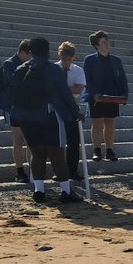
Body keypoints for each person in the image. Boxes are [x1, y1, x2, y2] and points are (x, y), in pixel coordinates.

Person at [7, 36, 83, 204]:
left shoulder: (21, 69)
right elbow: (64, 93)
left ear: (31, 52)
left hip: (25, 117)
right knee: (56, 153)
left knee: (37, 152)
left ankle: (39, 190)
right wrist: (74, 111)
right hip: (48, 115)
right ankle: (65, 191)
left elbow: (11, 94)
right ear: (48, 52)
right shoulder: (52, 69)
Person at [83, 29, 129, 162]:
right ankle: (96, 150)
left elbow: (122, 79)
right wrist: (94, 94)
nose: (107, 44)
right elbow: (87, 79)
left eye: (107, 41)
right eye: (103, 42)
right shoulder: (89, 60)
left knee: (110, 122)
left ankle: (109, 149)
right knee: (97, 122)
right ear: (97, 45)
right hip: (97, 96)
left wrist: (124, 94)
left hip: (112, 95)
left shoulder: (116, 60)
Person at [0, 38, 31, 182]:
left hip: (26, 106)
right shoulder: (9, 64)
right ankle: (20, 171)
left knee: (29, 139)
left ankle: (33, 169)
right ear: (22, 52)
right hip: (12, 106)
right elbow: (16, 83)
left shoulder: (28, 64)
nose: (31, 58)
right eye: (29, 54)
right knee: (18, 139)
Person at [56, 41, 87, 180]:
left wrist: (63, 90)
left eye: (69, 59)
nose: (66, 62)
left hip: (73, 107)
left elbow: (79, 89)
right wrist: (69, 89)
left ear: (73, 58)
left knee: (73, 142)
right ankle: (59, 170)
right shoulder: (54, 69)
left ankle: (72, 170)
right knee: (58, 141)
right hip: (57, 108)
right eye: (64, 59)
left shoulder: (78, 70)